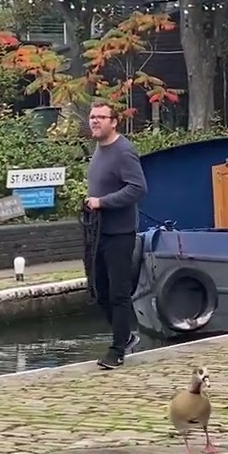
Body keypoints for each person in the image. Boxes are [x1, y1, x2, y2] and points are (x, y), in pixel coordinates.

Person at [85, 101, 149, 369]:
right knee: (99, 290)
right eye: (92, 116)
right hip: (99, 232)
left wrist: (103, 202)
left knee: (118, 292)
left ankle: (117, 350)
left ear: (114, 122)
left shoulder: (124, 151)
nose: (94, 121)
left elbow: (138, 188)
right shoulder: (99, 149)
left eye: (101, 117)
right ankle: (126, 336)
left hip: (120, 233)